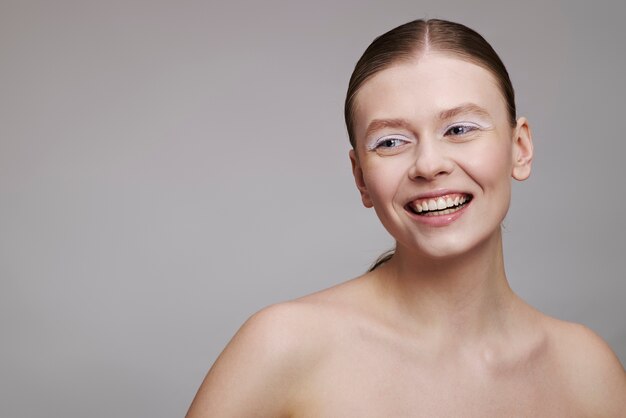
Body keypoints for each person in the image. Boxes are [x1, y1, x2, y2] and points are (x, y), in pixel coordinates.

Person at [186, 19, 626, 417]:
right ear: (360, 177)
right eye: (392, 141)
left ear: (520, 148)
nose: (428, 164)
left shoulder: (587, 370)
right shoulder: (283, 345)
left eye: (459, 129)